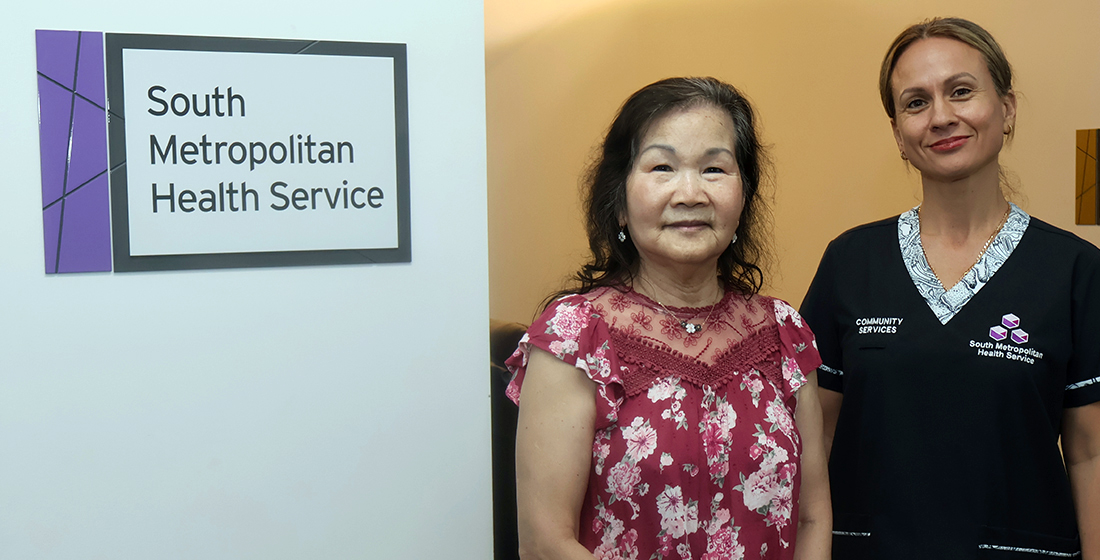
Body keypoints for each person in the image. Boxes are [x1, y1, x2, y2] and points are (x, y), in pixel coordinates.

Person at [800, 17, 1100, 559]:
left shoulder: (1075, 270)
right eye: (915, 103)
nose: (940, 117)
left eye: (961, 91)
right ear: (898, 135)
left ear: (1006, 108)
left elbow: (1090, 454)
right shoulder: (850, 262)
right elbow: (813, 439)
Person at [506, 77, 831, 560]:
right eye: (662, 167)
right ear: (618, 202)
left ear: (743, 197)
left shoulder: (783, 332)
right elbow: (545, 543)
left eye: (714, 169)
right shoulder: (576, 335)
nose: (690, 193)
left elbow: (811, 518)